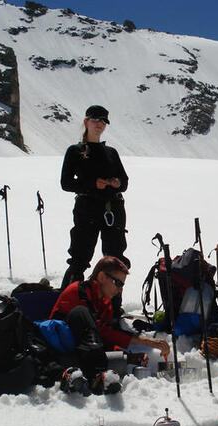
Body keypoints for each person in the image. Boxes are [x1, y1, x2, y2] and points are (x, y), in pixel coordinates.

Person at [50, 256, 171, 395]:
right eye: (117, 283)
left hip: (85, 353)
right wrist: (146, 341)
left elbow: (104, 340)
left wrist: (128, 356)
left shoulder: (105, 303)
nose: (120, 290)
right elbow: (102, 330)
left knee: (120, 360)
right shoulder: (79, 292)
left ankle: (97, 377)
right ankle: (96, 376)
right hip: (61, 351)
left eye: (122, 285)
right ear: (101, 277)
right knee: (81, 314)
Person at [59, 105, 130, 290]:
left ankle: (112, 306)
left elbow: (125, 182)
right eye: (95, 120)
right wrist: (92, 184)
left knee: (115, 258)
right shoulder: (75, 151)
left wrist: (116, 183)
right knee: (79, 257)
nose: (100, 124)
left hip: (113, 208)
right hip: (87, 208)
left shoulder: (111, 152)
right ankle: (68, 301)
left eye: (104, 121)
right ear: (86, 122)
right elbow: (66, 183)